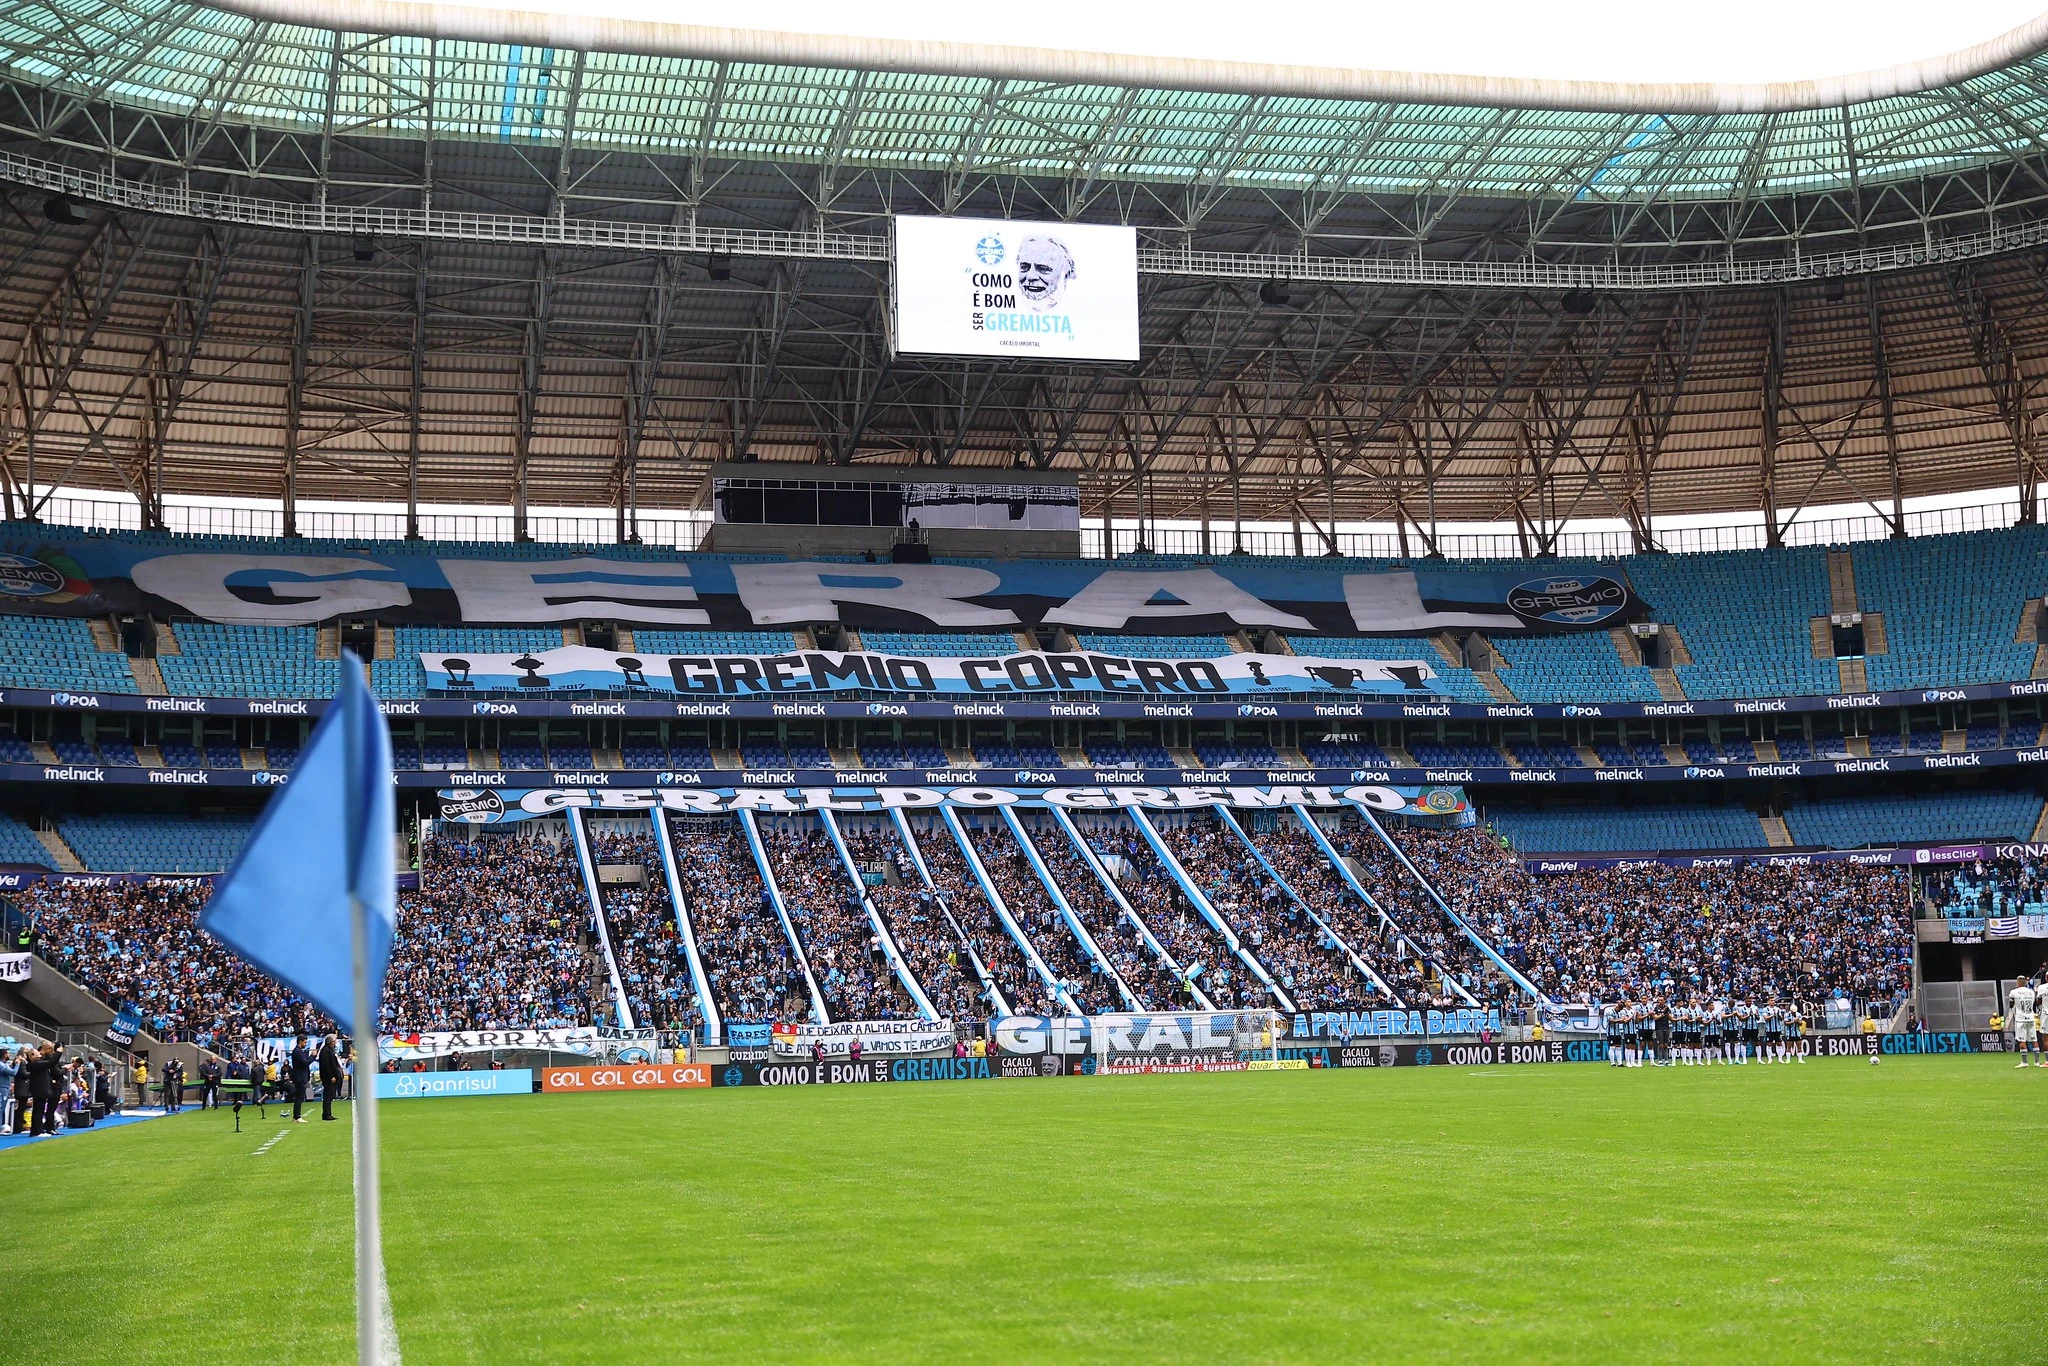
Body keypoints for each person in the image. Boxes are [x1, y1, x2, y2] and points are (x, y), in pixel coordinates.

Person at [2007, 975, 2041, 1069]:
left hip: (2020, 1018)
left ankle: (2024, 1062)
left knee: (2022, 1040)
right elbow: (2034, 1003)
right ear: (2025, 983)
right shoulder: (2031, 992)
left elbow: (2011, 1005)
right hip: (2030, 1017)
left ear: (2017, 982)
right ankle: (2037, 1062)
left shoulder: (2013, 992)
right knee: (2034, 1040)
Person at [318, 1034, 342, 1121]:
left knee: (330, 1096)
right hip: (328, 1077)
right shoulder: (326, 1051)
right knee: (328, 1096)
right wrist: (331, 1076)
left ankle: (328, 1113)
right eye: (334, 1041)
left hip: (332, 1076)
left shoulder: (330, 1050)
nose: (335, 1043)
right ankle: (326, 1114)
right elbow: (326, 1066)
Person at [288, 1033, 311, 1123]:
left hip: (300, 1077)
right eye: (305, 1042)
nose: (305, 1044)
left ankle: (296, 1116)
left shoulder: (299, 1051)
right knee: (299, 1098)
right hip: (300, 1078)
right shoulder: (297, 1051)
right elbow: (305, 1063)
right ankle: (297, 1116)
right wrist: (313, 1056)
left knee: (299, 1097)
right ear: (300, 1041)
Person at [0, 1046, 17, 1134]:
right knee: (0, 1108)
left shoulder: (5, 1064)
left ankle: (1, 1127)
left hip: (5, 1088)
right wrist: (17, 1064)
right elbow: (13, 1072)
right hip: (1, 1088)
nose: (9, 1055)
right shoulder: (1, 1064)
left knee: (2, 1108)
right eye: (8, 1053)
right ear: (4, 1054)